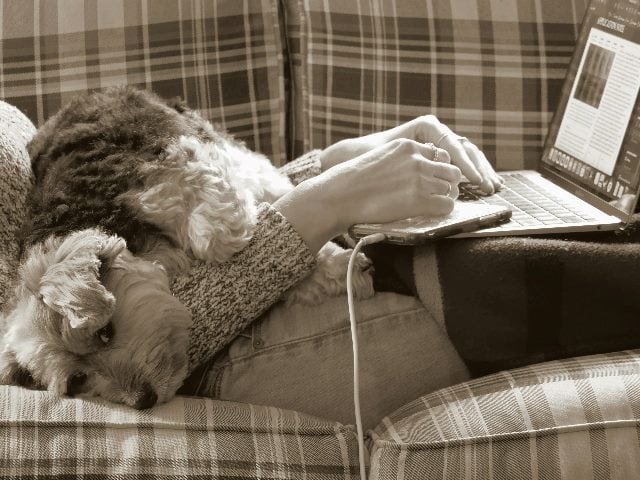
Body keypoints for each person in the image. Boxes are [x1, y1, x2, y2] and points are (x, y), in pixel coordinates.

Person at [177, 115, 503, 429]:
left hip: (247, 300)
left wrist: (327, 169)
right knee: (496, 284)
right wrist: (329, 200)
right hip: (214, 352)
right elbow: (155, 336)